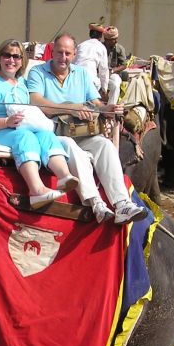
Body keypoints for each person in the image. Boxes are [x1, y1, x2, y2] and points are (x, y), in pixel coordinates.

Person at [26, 33, 148, 224]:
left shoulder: (81, 74)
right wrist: (72, 108)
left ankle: (122, 203)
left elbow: (95, 102)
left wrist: (107, 109)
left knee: (104, 145)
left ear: (74, 55)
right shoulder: (37, 73)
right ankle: (96, 202)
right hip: (51, 134)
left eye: (67, 53)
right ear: (52, 52)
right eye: (59, 52)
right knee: (72, 148)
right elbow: (36, 101)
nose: (63, 58)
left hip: (80, 131)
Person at [0, 39, 79, 209]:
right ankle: (36, 189)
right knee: (26, 136)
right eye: (7, 55)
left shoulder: (22, 83)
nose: (11, 60)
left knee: (46, 135)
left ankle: (64, 176)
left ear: (22, 61)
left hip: (17, 127)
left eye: (16, 56)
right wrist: (6, 122)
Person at [74, 23, 110, 103]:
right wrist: (104, 90)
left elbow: (73, 62)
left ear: (90, 34)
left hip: (74, 79)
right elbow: (103, 70)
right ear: (101, 36)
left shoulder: (81, 45)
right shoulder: (102, 47)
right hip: (91, 82)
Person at [103, 26, 128, 105]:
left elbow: (124, 65)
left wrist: (113, 70)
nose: (116, 41)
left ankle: (110, 108)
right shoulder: (100, 47)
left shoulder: (119, 48)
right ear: (107, 40)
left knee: (116, 84)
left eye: (116, 38)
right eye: (114, 39)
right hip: (99, 73)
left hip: (113, 74)